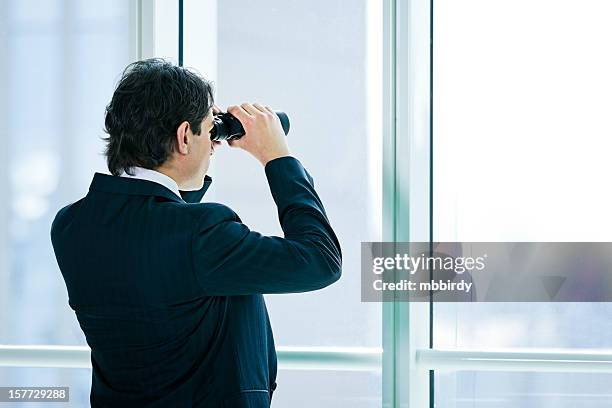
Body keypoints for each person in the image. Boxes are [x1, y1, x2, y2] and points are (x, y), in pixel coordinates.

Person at [50, 59, 342, 407]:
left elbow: (160, 234)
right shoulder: (200, 236)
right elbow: (321, 260)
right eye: (208, 129)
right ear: (183, 136)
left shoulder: (71, 225)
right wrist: (277, 158)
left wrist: (198, 144)